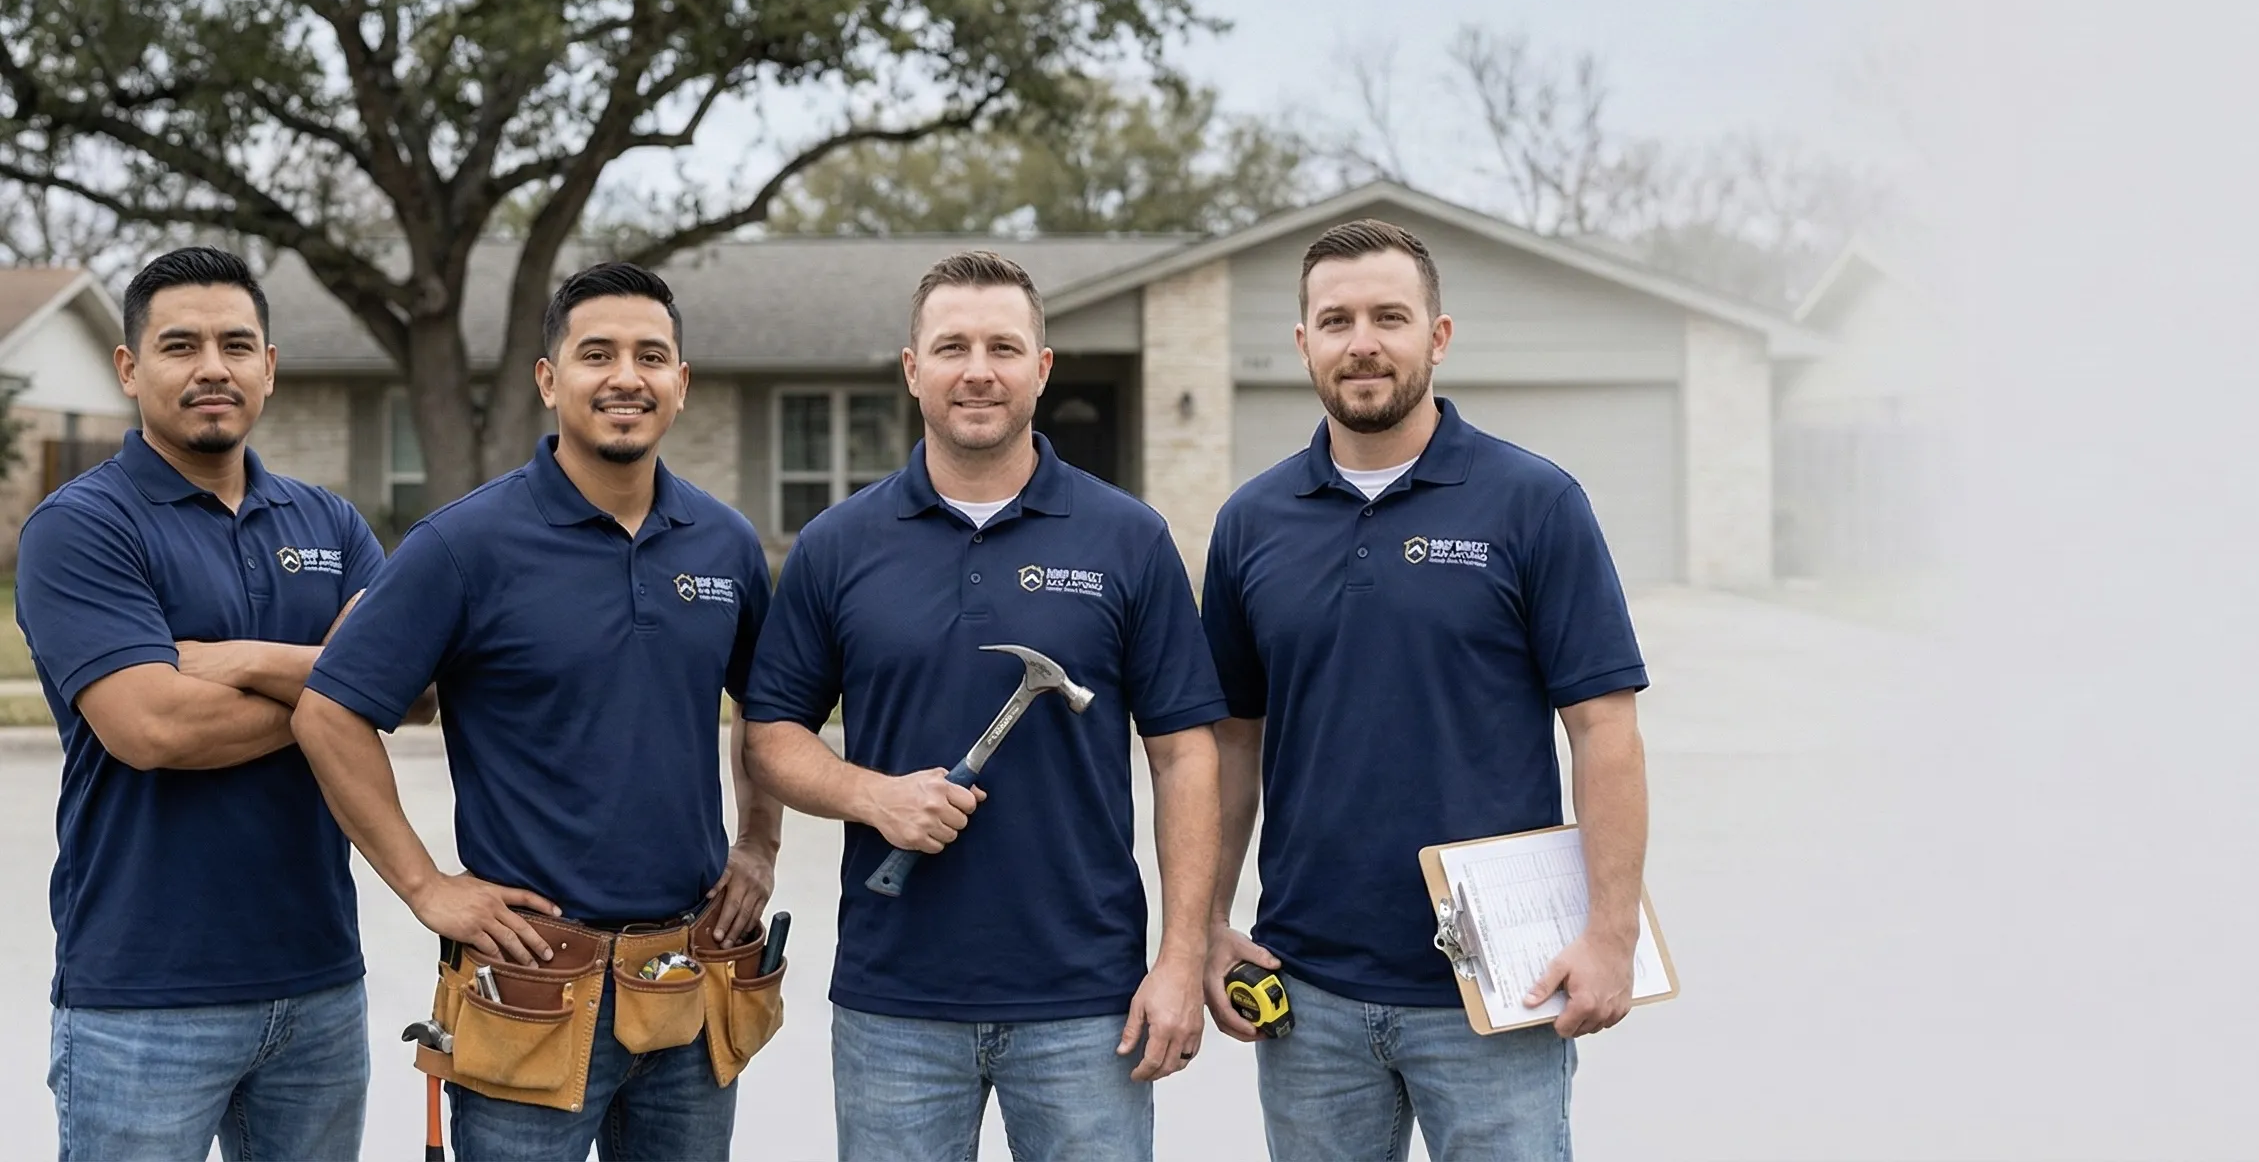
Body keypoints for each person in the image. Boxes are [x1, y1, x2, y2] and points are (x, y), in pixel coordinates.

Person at [291, 262, 781, 1162]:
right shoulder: (462, 545)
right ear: (550, 380)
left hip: (689, 977)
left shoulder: (726, 544)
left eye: (650, 356)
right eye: (596, 355)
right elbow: (329, 713)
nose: (625, 377)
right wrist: (426, 884)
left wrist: (759, 842)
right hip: (530, 988)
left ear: (681, 384)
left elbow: (767, 705)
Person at [744, 250, 1225, 1162]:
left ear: (1042, 369)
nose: (978, 369)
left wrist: (1179, 957)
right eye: (952, 345)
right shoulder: (838, 546)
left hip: (1088, 1003)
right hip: (896, 1003)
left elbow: (1184, 754)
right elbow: (769, 737)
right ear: (912, 368)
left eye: (1004, 346)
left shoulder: (1127, 538)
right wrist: (873, 796)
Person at [1198, 218, 1653, 1161]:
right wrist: (1203, 921)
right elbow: (1231, 744)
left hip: (1499, 990)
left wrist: (1611, 934)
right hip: (1308, 993)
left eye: (1389, 317)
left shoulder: (1534, 502)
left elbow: (1604, 729)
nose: (1362, 342)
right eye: (1336, 321)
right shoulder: (1250, 524)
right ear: (1304, 345)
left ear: (1436, 337)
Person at [14, 246, 387, 1161]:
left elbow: (410, 689)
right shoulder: (80, 527)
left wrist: (238, 660)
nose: (212, 366)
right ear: (131, 369)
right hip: (143, 996)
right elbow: (153, 727)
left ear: (268, 366)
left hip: (319, 986)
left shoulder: (329, 524)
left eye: (235, 343)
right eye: (181, 345)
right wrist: (333, 684)